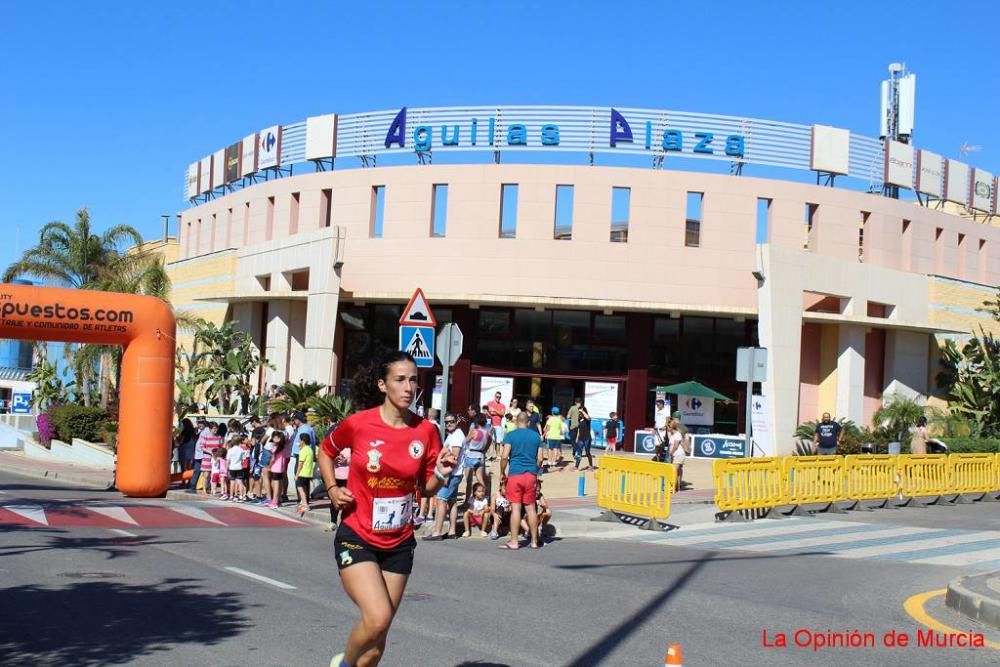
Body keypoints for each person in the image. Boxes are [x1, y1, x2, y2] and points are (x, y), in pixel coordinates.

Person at [318, 351, 455, 667]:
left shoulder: (426, 431)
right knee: (377, 618)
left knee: (377, 642)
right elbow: (326, 452)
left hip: (399, 543)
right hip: (358, 535)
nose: (408, 387)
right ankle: (344, 665)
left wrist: (441, 473)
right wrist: (332, 488)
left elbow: (425, 489)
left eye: (413, 380)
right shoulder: (359, 424)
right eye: (400, 379)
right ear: (383, 385)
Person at [499, 412, 544, 550]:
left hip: (515, 474)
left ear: (516, 421)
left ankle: (514, 541)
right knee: (530, 508)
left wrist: (502, 472)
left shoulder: (510, 435)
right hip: (530, 474)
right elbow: (541, 458)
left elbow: (505, 456)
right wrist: (534, 470)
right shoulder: (536, 436)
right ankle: (534, 541)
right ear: (529, 422)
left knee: (516, 508)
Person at [424, 412, 467, 541]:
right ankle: (452, 531)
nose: (449, 424)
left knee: (441, 501)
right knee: (452, 501)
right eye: (446, 422)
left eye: (451, 421)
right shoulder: (454, 435)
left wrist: (446, 474)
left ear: (456, 421)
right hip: (455, 474)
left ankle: (437, 532)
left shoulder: (457, 436)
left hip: (451, 474)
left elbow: (454, 458)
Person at [295, 432, 316, 515]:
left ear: (303, 441)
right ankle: (304, 503)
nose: (299, 442)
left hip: (302, 473)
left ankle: (305, 504)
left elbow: (300, 464)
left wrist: (296, 475)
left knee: (300, 488)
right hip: (309, 473)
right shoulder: (310, 449)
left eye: (300, 440)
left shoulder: (303, 451)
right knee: (305, 488)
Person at [267, 432, 290, 508]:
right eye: (274, 438)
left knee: (276, 484)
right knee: (279, 484)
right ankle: (278, 500)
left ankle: (274, 501)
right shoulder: (284, 447)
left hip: (275, 468)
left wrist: (269, 466)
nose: (275, 439)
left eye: (277, 438)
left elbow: (273, 459)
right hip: (281, 468)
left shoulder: (275, 447)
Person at [667, 418, 689, 491]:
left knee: (674, 471)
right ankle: (678, 487)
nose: (667, 429)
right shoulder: (673, 435)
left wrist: (671, 453)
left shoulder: (677, 434)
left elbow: (676, 446)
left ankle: (673, 487)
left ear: (671, 427)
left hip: (678, 455)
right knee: (678, 472)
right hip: (676, 455)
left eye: (668, 427)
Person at [573, 404, 593, 471]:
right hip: (580, 439)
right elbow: (579, 430)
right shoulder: (579, 420)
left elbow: (588, 417)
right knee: (579, 453)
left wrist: (583, 411)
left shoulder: (587, 420)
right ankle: (576, 467)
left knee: (588, 453)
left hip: (587, 438)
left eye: (580, 412)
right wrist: (577, 438)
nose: (579, 413)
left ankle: (591, 466)